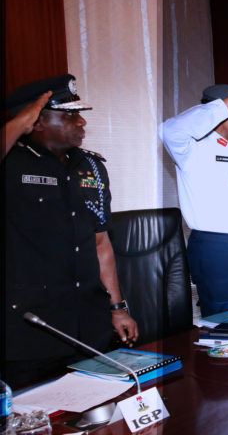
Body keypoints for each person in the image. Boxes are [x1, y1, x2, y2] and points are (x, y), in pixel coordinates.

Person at [3, 74, 138, 387]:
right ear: (34, 122)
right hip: (31, 329)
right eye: (69, 115)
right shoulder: (11, 164)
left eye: (80, 115)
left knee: (99, 407)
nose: (81, 123)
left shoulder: (90, 166)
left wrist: (118, 309)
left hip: (88, 323)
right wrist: (18, 123)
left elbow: (101, 243)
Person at [159, 84, 228, 316]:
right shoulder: (193, 148)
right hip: (221, 249)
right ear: (221, 114)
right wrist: (220, 107)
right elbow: (168, 130)